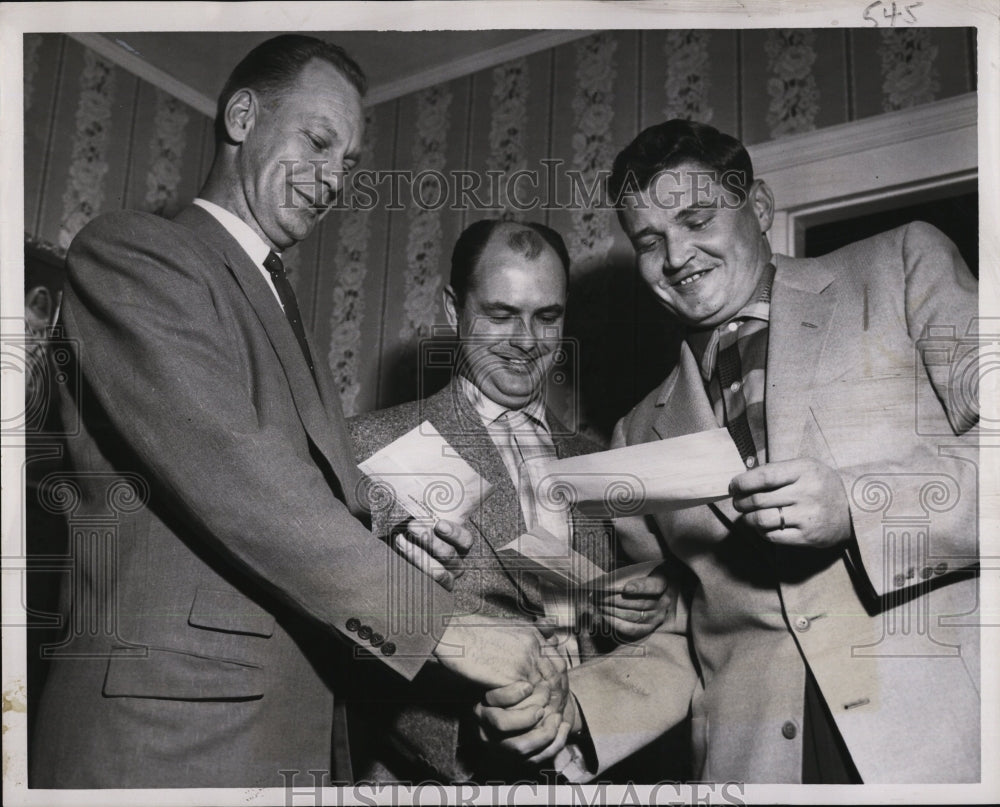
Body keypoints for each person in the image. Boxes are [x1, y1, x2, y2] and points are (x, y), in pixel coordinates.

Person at [30, 36, 560, 789]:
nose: (333, 179)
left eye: (347, 164)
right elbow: (231, 471)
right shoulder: (135, 253)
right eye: (317, 140)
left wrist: (386, 525)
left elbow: (287, 482)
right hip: (167, 740)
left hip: (282, 740)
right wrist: (446, 625)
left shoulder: (279, 304)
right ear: (243, 115)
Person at [478, 119, 980, 784]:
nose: (676, 255)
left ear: (761, 209)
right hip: (759, 765)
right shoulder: (635, 431)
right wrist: (578, 705)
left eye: (696, 218)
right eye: (649, 241)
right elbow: (681, 633)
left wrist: (856, 504)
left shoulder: (900, 266)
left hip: (945, 738)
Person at [347, 218, 675, 783]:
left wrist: (645, 607)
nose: (527, 342)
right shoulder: (370, 444)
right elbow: (343, 635)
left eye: (547, 317)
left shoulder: (599, 460)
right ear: (455, 310)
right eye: (501, 315)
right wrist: (468, 732)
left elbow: (626, 638)